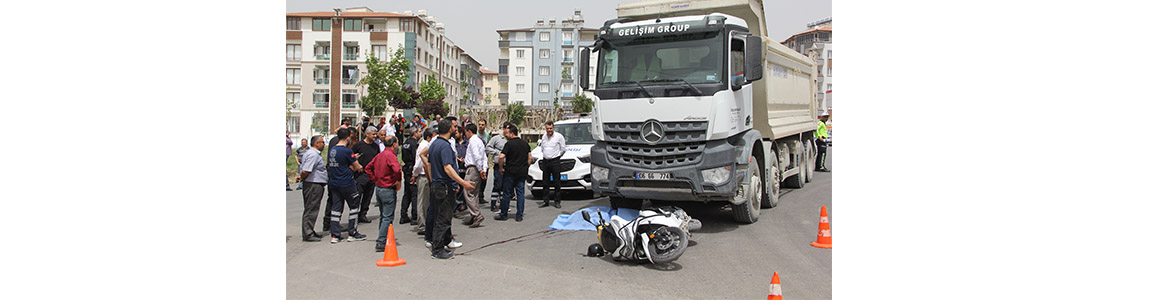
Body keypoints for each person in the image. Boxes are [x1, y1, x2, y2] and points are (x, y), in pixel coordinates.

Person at [425, 119, 475, 259]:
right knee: (443, 218)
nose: (456, 129)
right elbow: (448, 168)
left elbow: (429, 164)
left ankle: (439, 244)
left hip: (437, 185)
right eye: (454, 127)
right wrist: (463, 182)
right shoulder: (445, 146)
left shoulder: (434, 144)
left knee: (438, 217)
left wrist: (432, 180)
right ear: (448, 130)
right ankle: (438, 249)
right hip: (444, 187)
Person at [326, 128, 368, 243]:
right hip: (347, 183)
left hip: (334, 182)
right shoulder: (347, 151)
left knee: (336, 208)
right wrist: (355, 161)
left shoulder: (332, 150)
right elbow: (357, 167)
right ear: (348, 137)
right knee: (354, 206)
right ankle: (352, 232)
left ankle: (335, 235)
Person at [365, 135, 402, 252]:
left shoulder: (380, 155)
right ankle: (381, 241)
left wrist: (374, 178)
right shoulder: (390, 156)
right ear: (394, 144)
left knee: (383, 215)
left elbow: (368, 167)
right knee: (387, 216)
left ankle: (383, 237)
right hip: (387, 188)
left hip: (379, 187)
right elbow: (397, 169)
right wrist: (397, 181)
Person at [495, 124, 532, 222]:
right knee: (520, 194)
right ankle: (519, 215)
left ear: (512, 133)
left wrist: (501, 167)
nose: (506, 135)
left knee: (507, 193)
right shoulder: (525, 144)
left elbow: (501, 157)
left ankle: (504, 214)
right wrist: (525, 167)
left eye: (507, 133)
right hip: (522, 172)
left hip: (510, 172)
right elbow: (529, 158)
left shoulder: (509, 144)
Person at [298, 135, 329, 242]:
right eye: (322, 142)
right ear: (316, 143)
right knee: (311, 208)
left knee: (312, 208)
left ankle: (310, 229)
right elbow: (306, 170)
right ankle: (308, 233)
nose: (323, 144)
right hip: (313, 184)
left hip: (315, 183)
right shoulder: (313, 154)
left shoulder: (312, 153)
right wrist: (302, 178)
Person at [460, 124, 488, 227]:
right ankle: (473, 214)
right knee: (474, 193)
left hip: (472, 169)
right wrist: (483, 169)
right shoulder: (480, 141)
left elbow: (477, 156)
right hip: (477, 168)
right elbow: (484, 156)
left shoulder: (473, 141)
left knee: (468, 192)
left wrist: (481, 169)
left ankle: (477, 214)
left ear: (468, 131)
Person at [353, 126, 382, 223]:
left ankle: (363, 214)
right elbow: (351, 157)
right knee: (358, 195)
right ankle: (354, 215)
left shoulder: (375, 146)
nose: (375, 136)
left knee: (368, 195)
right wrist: (356, 164)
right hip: (361, 174)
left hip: (372, 175)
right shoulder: (359, 145)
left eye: (375, 134)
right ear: (367, 134)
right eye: (373, 134)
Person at [537, 120, 567, 208]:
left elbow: (563, 149)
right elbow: (542, 148)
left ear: (553, 127)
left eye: (550, 128)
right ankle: (546, 201)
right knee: (545, 182)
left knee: (557, 182)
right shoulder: (544, 137)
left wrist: (557, 156)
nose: (549, 130)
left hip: (555, 161)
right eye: (547, 128)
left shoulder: (559, 137)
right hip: (546, 161)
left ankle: (557, 201)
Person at [413, 128, 436, 232]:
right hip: (423, 176)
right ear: (429, 137)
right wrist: (415, 174)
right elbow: (419, 164)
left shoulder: (425, 145)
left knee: (426, 201)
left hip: (424, 175)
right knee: (422, 201)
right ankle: (422, 224)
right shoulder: (425, 146)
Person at [486, 122, 509, 212]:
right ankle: (493, 204)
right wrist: (497, 152)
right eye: (507, 128)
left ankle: (503, 204)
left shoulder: (509, 139)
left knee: (505, 186)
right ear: (503, 129)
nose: (508, 130)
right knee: (498, 184)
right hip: (498, 165)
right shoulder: (496, 138)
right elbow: (488, 148)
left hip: (508, 165)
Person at [399, 127, 420, 225]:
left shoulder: (405, 143)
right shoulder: (414, 144)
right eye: (419, 132)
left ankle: (403, 215)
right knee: (414, 193)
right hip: (411, 169)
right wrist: (414, 173)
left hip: (406, 168)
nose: (420, 133)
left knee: (407, 193)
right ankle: (414, 216)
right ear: (415, 133)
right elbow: (415, 157)